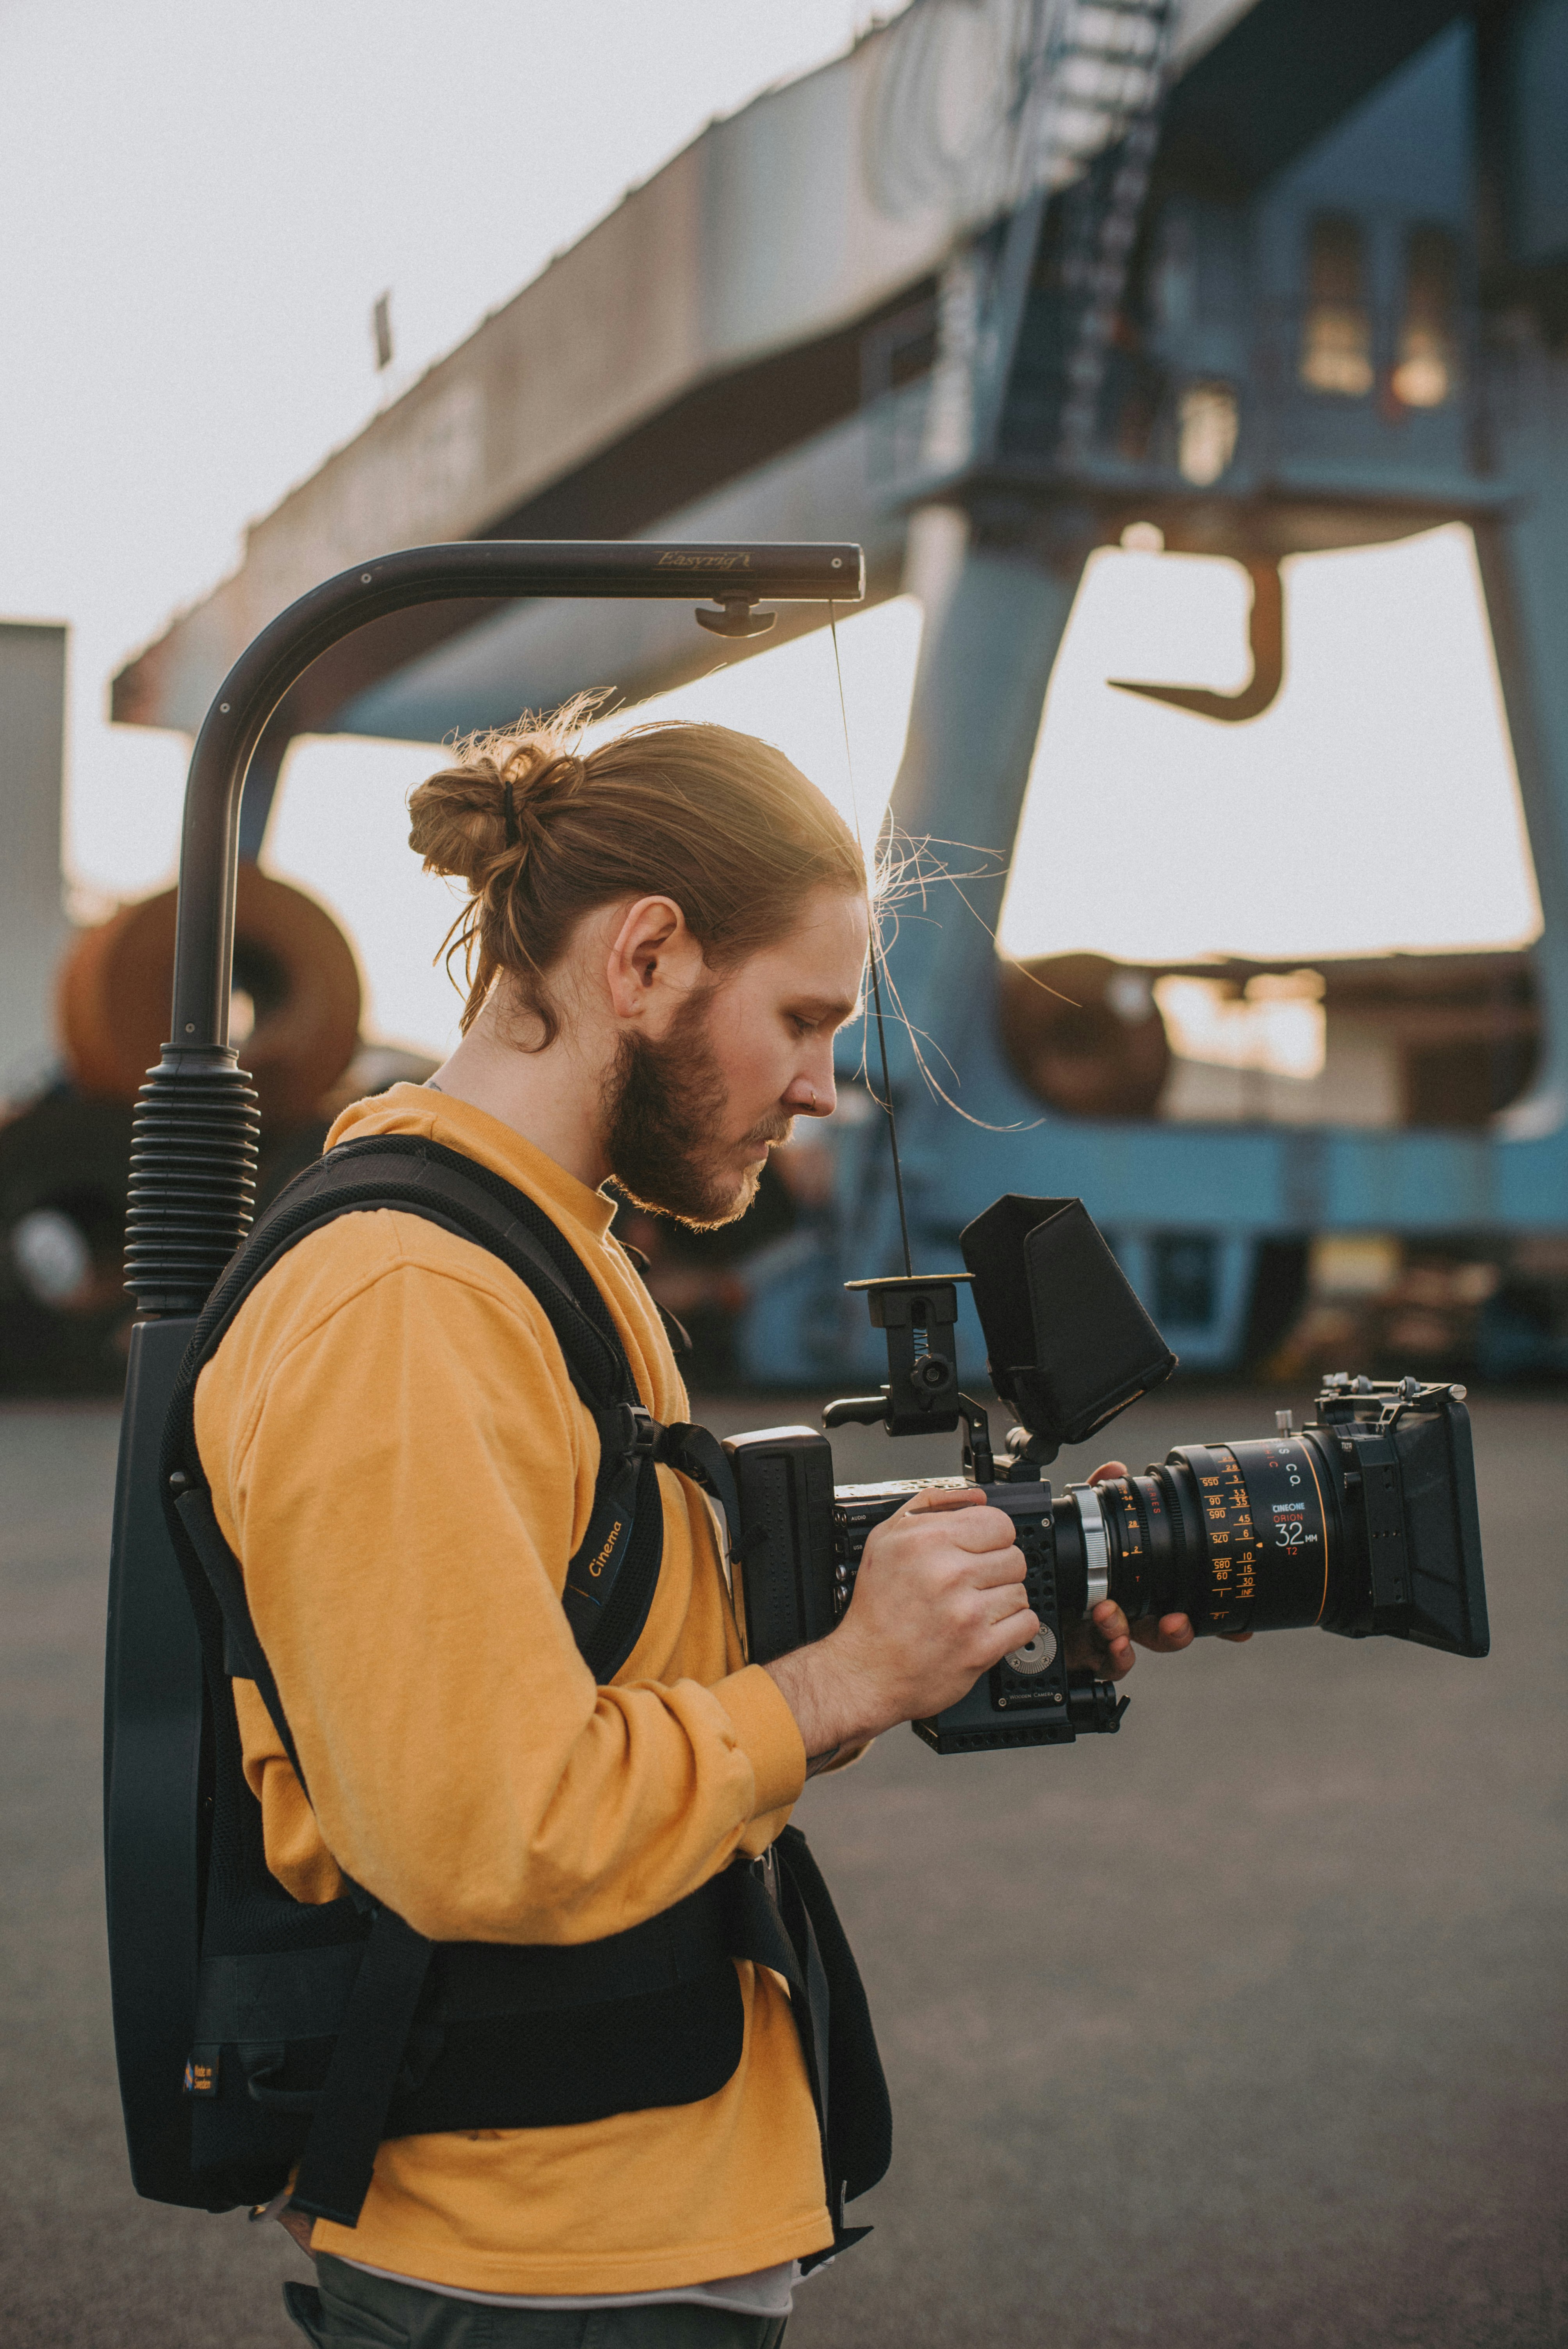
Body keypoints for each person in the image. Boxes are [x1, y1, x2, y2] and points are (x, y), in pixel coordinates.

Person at [194, 706, 1212, 2349]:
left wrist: (928, 1629)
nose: (823, 1087)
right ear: (647, 957)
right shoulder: (406, 1304)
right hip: (533, 2268)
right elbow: (493, 1826)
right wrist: (828, 1685)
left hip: (625, 2228)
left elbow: (624, 1685)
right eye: (801, 1018)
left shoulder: (554, 1251)